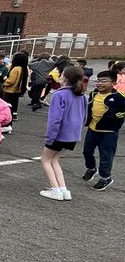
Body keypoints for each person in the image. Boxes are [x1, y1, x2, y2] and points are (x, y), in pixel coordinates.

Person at [40, 64, 88, 201]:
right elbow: (84, 118)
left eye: (61, 75)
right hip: (73, 136)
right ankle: (63, 189)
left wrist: (50, 137)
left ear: (65, 78)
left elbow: (55, 119)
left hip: (59, 135)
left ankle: (55, 190)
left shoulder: (59, 94)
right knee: (55, 160)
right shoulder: (82, 96)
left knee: (45, 160)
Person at [81, 69, 125, 191]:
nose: (100, 83)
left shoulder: (119, 97)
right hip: (93, 129)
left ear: (113, 83)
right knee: (87, 151)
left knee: (106, 156)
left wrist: (118, 117)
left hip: (109, 132)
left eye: (104, 81)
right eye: (98, 81)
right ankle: (91, 168)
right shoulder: (94, 94)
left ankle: (105, 178)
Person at [2, 51, 28, 120]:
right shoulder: (24, 69)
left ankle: (7, 116)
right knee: (15, 103)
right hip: (18, 89)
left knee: (8, 103)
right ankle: (14, 115)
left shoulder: (15, 69)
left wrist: (4, 82)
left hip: (10, 90)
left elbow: (11, 81)